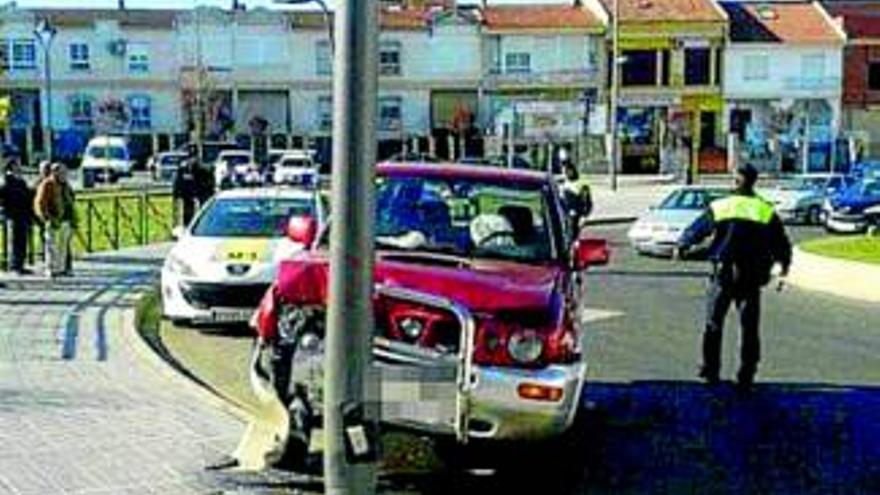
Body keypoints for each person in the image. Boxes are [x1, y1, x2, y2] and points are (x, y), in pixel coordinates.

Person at [677, 164, 792, 391]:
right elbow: (781, 243)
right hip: (751, 276)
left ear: (736, 181)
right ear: (754, 182)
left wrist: (683, 245)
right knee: (749, 327)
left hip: (723, 273)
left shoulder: (722, 206)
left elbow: (696, 230)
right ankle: (746, 374)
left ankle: (711, 370)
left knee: (713, 323)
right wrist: (784, 265)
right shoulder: (764, 210)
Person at [34, 163, 75, 278]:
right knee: (51, 246)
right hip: (53, 219)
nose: (64, 175)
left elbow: (71, 200)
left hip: (65, 220)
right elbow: (40, 202)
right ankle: (50, 268)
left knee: (63, 246)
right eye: (62, 172)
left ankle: (60, 268)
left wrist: (73, 219)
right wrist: (46, 217)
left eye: (65, 172)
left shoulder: (66, 185)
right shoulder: (48, 184)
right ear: (55, 172)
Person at [0, 159, 34, 274]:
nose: (19, 167)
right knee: (14, 240)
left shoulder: (20, 180)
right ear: (11, 166)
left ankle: (20, 264)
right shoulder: (7, 180)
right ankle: (14, 265)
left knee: (22, 241)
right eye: (17, 165)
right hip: (13, 214)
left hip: (22, 214)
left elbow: (27, 194)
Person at [560, 162, 592, 237]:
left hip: (575, 216)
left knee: (573, 236)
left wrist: (584, 216)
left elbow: (587, 202)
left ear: (572, 171)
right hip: (565, 216)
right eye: (563, 172)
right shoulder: (563, 184)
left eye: (566, 172)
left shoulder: (581, 184)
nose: (565, 174)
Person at [172, 157, 199, 226]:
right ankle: (183, 224)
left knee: (190, 210)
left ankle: (188, 223)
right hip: (185, 195)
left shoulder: (194, 171)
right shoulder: (182, 171)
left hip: (190, 195)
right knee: (183, 211)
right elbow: (178, 183)